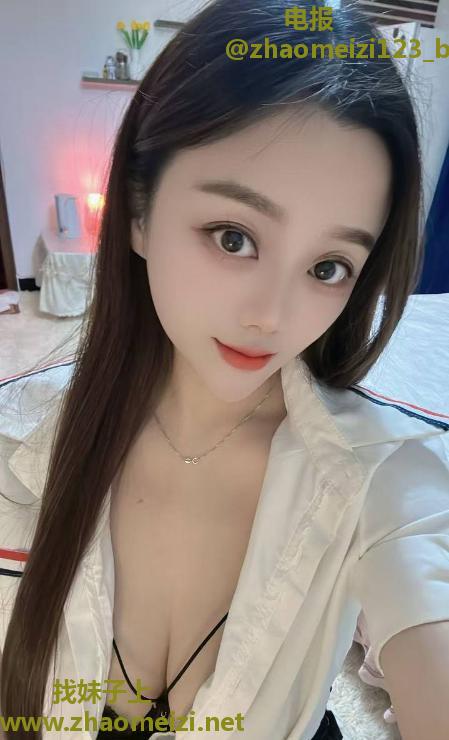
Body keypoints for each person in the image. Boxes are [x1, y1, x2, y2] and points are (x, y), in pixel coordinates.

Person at [1, 0, 448, 738]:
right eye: (234, 236)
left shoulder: (382, 476)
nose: (272, 315)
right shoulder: (17, 438)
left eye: (328, 267)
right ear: (138, 211)